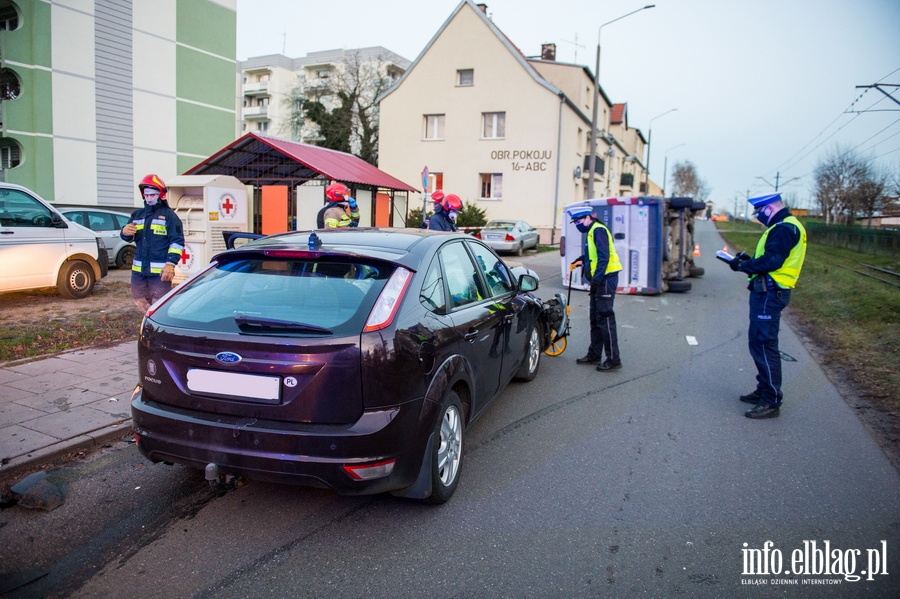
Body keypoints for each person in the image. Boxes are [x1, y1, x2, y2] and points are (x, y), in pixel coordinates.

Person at [728, 192, 807, 419]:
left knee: (764, 345)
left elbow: (773, 261)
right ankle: (763, 389)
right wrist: (748, 260)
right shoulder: (786, 226)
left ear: (769, 208)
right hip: (769, 290)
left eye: (759, 212)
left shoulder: (783, 228)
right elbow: (772, 258)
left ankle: (771, 400)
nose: (758, 216)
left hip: (771, 292)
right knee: (759, 343)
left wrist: (743, 266)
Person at [568, 206, 623, 371]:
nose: (577, 225)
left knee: (605, 319)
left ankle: (614, 359)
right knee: (595, 318)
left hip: (606, 279)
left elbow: (604, 257)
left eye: (578, 221)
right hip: (600, 280)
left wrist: (596, 281)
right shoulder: (591, 231)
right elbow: (593, 255)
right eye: (575, 222)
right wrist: (581, 260)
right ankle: (594, 354)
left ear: (587, 218)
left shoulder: (598, 230)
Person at [120, 174, 184, 314]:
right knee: (140, 301)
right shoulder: (137, 215)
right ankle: (150, 325)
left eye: (152, 195)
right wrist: (124, 232)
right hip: (139, 272)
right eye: (146, 195)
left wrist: (170, 264)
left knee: (160, 305)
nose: (149, 198)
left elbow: (177, 242)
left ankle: (159, 329)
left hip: (160, 273)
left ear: (160, 195)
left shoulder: (169, 216)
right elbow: (128, 238)